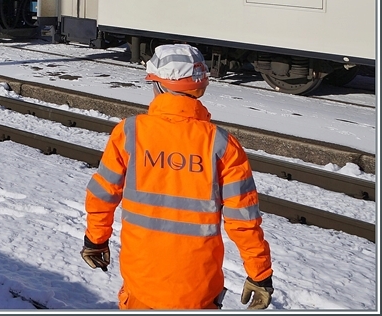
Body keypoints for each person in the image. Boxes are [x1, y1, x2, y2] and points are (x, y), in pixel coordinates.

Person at [82, 44, 274, 310]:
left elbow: (102, 195)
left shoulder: (130, 133)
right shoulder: (222, 145)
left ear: (158, 85)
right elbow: (244, 221)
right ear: (200, 88)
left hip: (141, 281)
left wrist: (96, 239)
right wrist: (260, 273)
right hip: (198, 288)